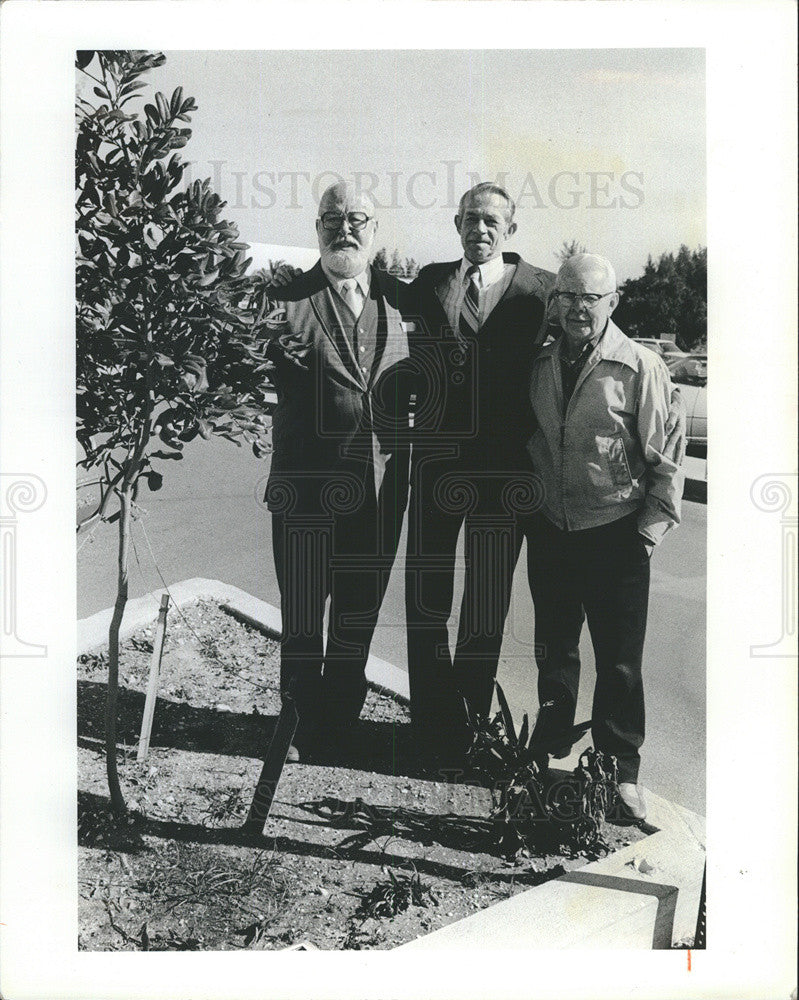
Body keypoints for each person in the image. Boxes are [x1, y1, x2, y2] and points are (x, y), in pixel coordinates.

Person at [526, 253, 684, 821]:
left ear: (612, 302)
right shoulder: (540, 363)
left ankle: (620, 774)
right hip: (553, 530)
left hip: (615, 534)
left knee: (619, 663)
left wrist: (647, 533)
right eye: (568, 295)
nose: (578, 307)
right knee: (555, 651)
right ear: (555, 302)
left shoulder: (639, 367)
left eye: (591, 297)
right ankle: (546, 751)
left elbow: (666, 456)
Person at [404, 182, 555, 764]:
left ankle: (465, 724)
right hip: (437, 466)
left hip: (505, 472)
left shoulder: (540, 290)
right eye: (470, 218)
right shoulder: (429, 283)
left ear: (510, 229)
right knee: (427, 598)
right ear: (457, 224)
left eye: (491, 220)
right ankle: (430, 723)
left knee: (485, 605)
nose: (479, 229)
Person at [261, 182, 413, 760]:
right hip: (304, 491)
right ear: (316, 228)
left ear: (375, 229)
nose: (343, 229)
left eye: (356, 219)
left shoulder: (403, 301)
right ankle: (297, 726)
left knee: (357, 612)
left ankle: (338, 727)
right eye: (331, 219)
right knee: (302, 615)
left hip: (379, 492)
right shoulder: (285, 302)